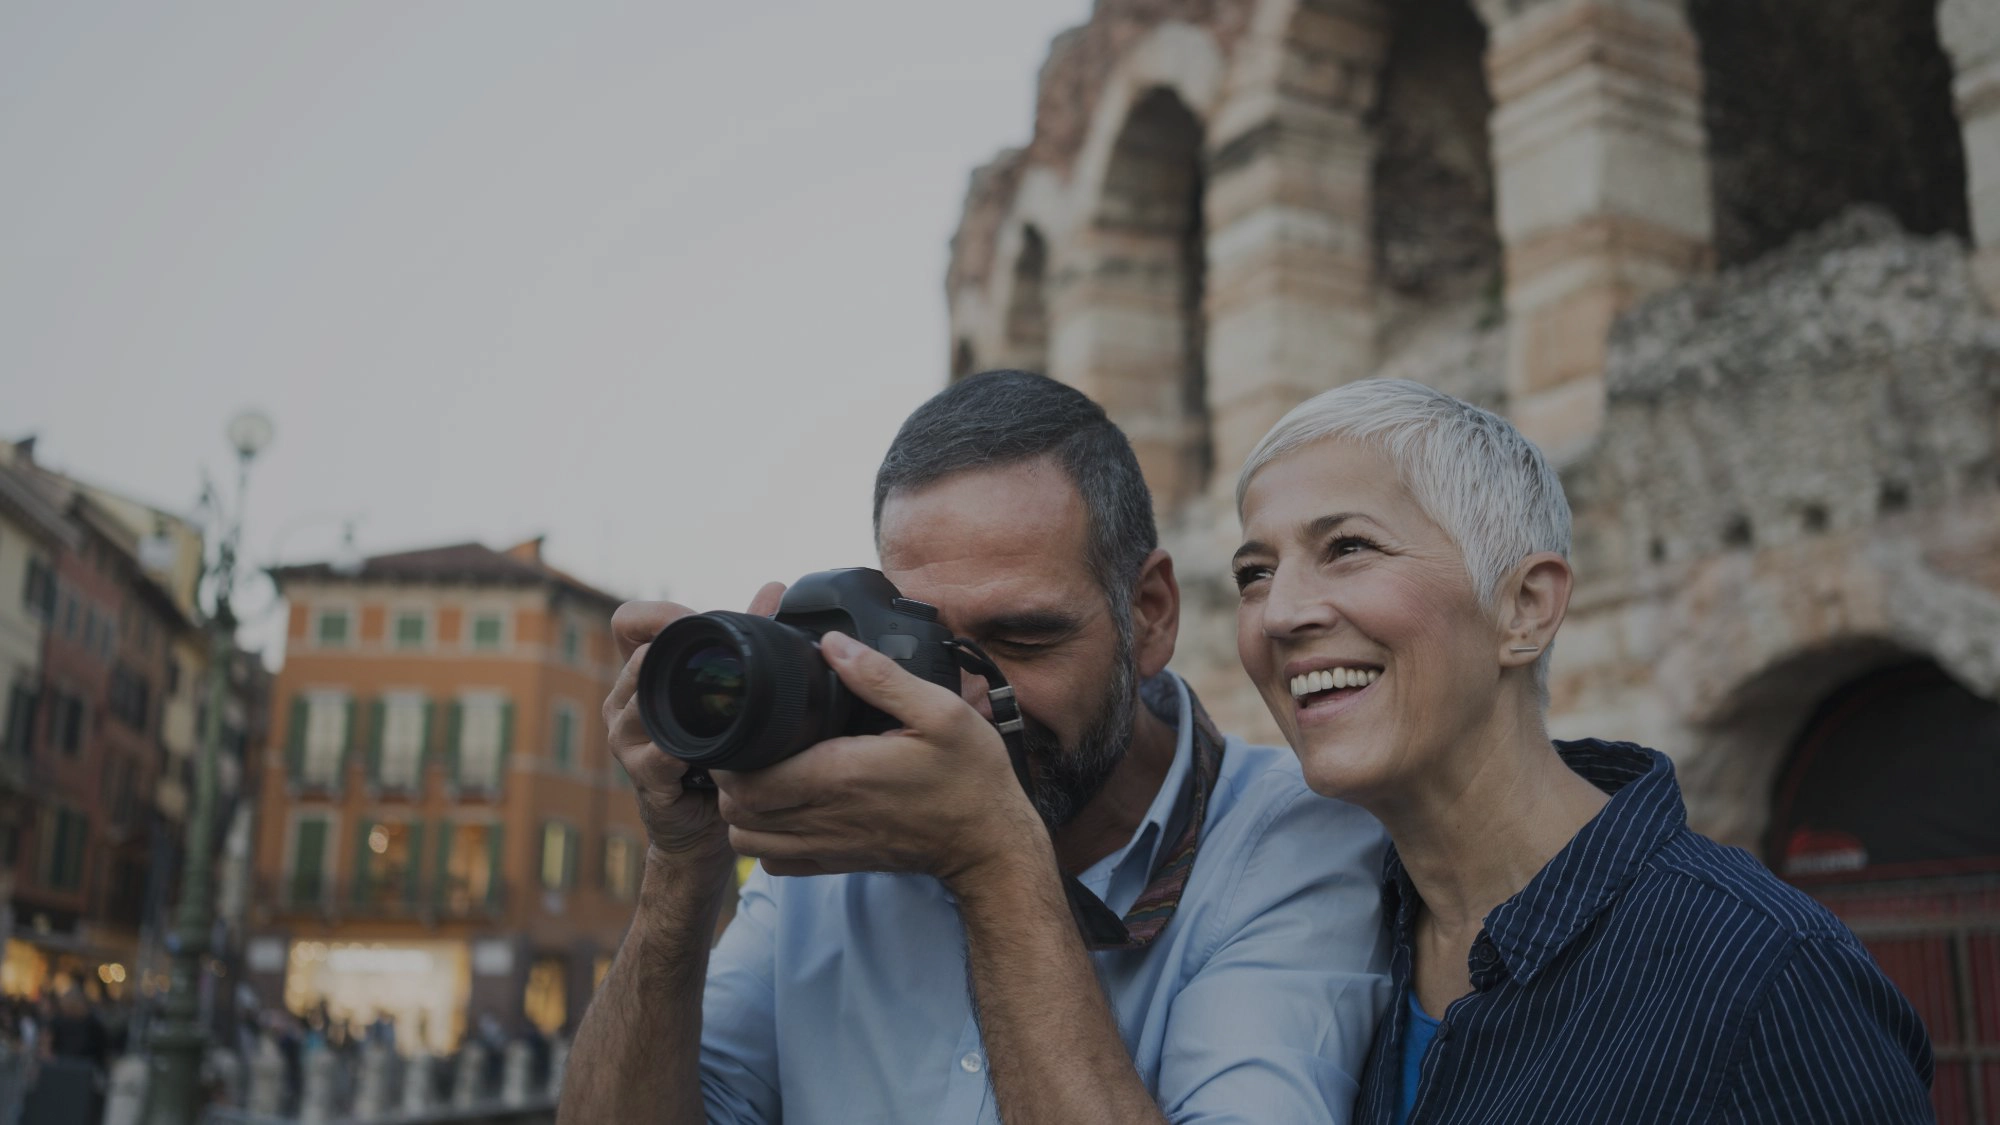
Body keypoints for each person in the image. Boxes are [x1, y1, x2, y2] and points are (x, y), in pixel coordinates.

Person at [563, 371, 1391, 1124]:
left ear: (1149, 613)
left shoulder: (1295, 834)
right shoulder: (829, 840)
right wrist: (683, 863)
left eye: (1022, 637)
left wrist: (992, 862)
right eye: (915, 645)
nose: (958, 703)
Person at [1228, 378, 1934, 1123]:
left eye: (1347, 547)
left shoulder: (1766, 975)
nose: (1278, 612)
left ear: (1524, 608)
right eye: (1254, 573)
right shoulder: (1329, 928)